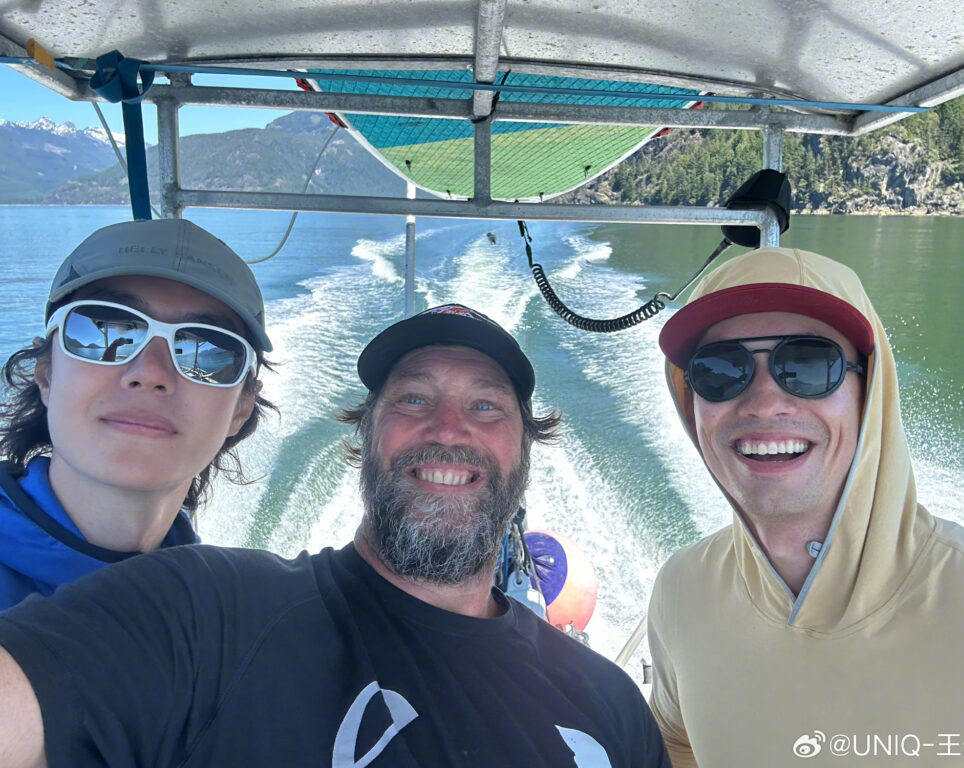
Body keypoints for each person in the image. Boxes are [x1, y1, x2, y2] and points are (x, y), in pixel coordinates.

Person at [0, 303, 670, 768]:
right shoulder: (208, 609)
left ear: (524, 452)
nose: (447, 427)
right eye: (413, 398)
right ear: (365, 437)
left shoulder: (610, 705)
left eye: (486, 405)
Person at [647, 247, 964, 767]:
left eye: (808, 364)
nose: (764, 402)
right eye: (720, 371)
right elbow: (677, 744)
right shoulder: (682, 590)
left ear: (870, 393)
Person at [0, 217, 275, 608]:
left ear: (241, 409)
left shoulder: (220, 612)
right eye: (104, 330)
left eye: (206, 350)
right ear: (46, 374)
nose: (150, 373)